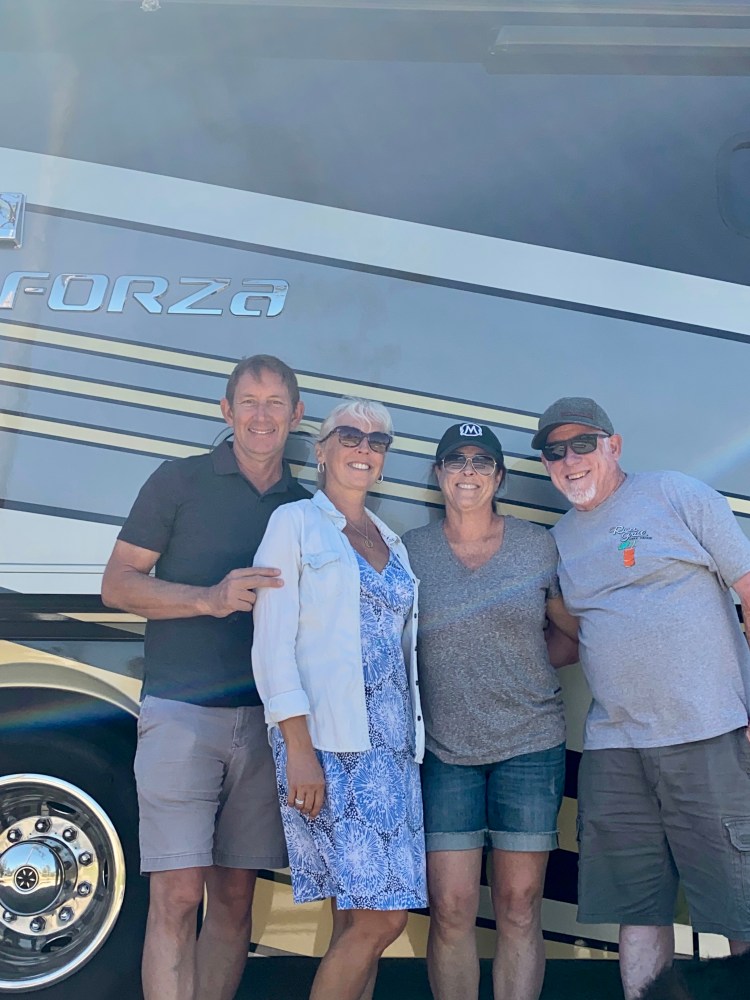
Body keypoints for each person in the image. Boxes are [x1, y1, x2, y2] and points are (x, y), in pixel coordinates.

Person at [101, 355, 308, 1000]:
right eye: (249, 402)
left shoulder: (306, 507)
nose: (261, 416)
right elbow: (117, 585)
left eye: (275, 403)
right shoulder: (178, 481)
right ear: (226, 410)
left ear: (297, 415)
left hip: (266, 723)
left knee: (236, 899)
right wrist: (208, 599)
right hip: (181, 711)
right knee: (177, 893)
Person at [532, 396, 750, 1000]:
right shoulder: (559, 542)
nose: (570, 460)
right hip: (616, 749)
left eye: (583, 444)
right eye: (555, 451)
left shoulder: (675, 494)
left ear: (614, 445)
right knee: (637, 909)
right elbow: (571, 640)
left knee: (740, 904)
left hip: (709, 733)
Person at [251, 398, 427, 1000]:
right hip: (331, 745)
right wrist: (299, 749)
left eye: (378, 441)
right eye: (349, 436)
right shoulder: (295, 523)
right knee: (384, 919)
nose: (364, 449)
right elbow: (272, 644)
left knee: (358, 918)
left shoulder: (390, 539)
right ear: (322, 450)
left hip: (392, 752)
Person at [402, 421, 577, 1000]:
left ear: (499, 478)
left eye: (481, 462)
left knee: (519, 904)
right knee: (451, 907)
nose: (468, 472)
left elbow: (572, 634)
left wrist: (518, 666)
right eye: (457, 460)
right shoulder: (411, 551)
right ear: (439, 474)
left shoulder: (537, 545)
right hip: (444, 751)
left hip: (529, 745)